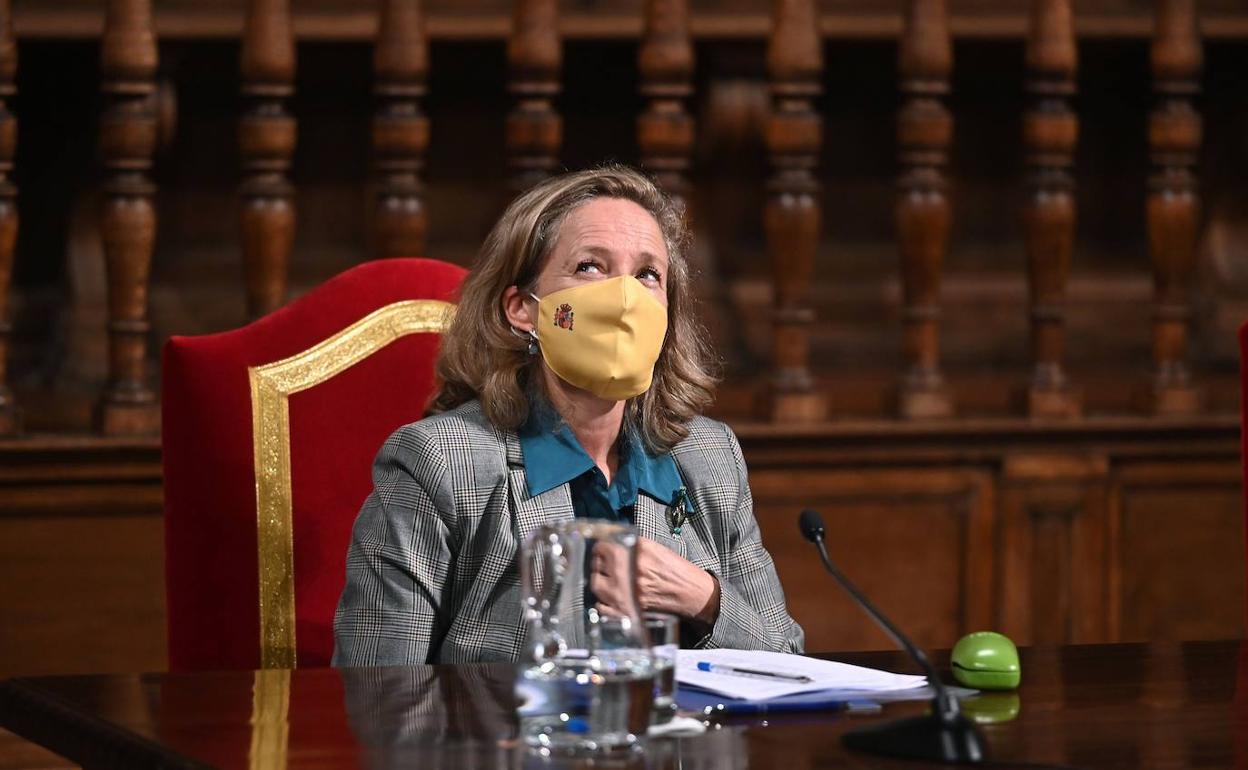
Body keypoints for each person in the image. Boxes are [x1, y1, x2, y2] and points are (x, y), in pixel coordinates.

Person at [333, 165, 803, 665]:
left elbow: (790, 660)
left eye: (647, 274)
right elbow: (376, 685)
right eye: (590, 266)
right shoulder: (439, 463)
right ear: (522, 308)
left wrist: (704, 599)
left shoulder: (710, 456)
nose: (624, 299)